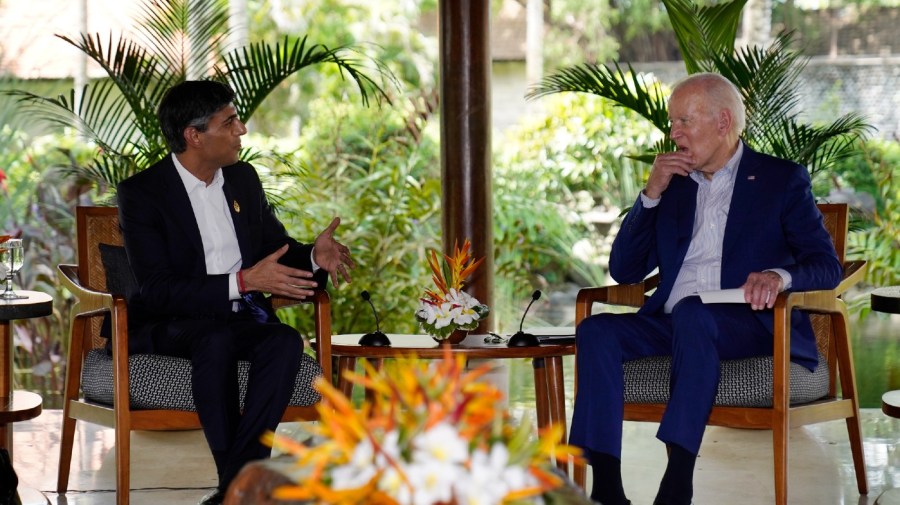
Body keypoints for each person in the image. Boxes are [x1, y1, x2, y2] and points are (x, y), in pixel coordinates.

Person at [568, 72, 843, 505]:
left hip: (751, 324)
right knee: (597, 330)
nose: (673, 133)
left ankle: (677, 479)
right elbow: (625, 270)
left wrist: (778, 276)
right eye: (671, 122)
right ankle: (606, 484)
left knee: (696, 312)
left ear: (722, 122)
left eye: (683, 121)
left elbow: (827, 266)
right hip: (674, 321)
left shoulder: (780, 180)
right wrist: (650, 195)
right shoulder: (673, 186)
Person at [117, 80, 355, 505]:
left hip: (238, 318)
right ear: (194, 135)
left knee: (282, 341)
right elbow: (157, 288)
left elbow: (272, 251)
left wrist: (315, 258)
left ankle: (234, 488)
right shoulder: (143, 193)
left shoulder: (242, 179)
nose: (241, 130)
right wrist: (242, 283)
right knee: (216, 340)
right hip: (171, 321)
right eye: (229, 122)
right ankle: (244, 488)